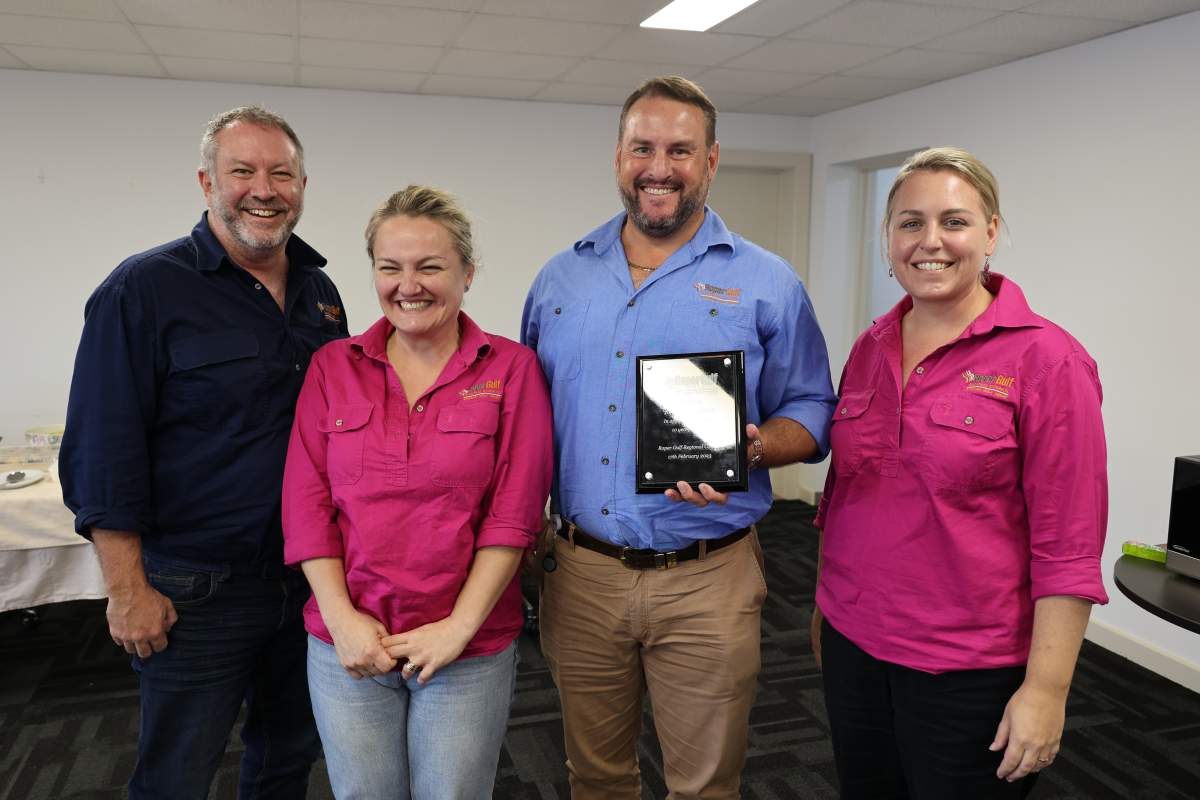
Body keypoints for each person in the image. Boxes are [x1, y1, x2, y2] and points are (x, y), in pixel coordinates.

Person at [521, 76, 837, 799]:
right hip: (582, 573)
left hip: (708, 577)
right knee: (594, 777)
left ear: (712, 160)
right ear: (618, 157)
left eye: (680, 150)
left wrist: (755, 447)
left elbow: (814, 407)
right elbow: (531, 415)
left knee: (704, 787)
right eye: (643, 147)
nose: (658, 167)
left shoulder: (768, 282)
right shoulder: (560, 278)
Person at [59, 106, 346, 798]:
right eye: (242, 171)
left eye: (282, 173)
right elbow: (102, 449)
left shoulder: (321, 294)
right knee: (177, 773)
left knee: (286, 756)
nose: (263, 188)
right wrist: (127, 590)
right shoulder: (143, 289)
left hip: (306, 579)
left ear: (303, 184)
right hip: (194, 591)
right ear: (206, 181)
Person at [812, 146, 1108, 798]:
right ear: (888, 240)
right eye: (910, 223)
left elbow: (1069, 546)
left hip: (970, 670)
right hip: (853, 645)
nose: (930, 242)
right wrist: (824, 611)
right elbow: (849, 494)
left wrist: (1046, 690)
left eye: (955, 221)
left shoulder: (1049, 361)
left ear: (992, 232)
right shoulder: (870, 346)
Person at [282, 185, 553, 799]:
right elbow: (307, 505)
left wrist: (457, 627)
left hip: (468, 644)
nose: (410, 284)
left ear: (467, 274)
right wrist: (342, 620)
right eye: (390, 267)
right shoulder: (333, 365)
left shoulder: (510, 369)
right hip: (350, 638)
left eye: (430, 266)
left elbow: (514, 514)